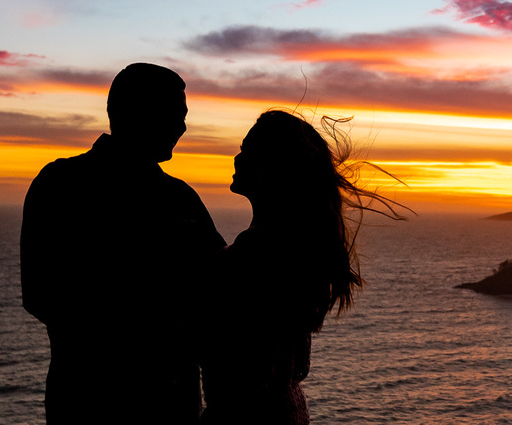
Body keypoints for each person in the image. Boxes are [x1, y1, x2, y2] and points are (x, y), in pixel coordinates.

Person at [21, 63, 225, 425]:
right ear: (139, 112)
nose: (182, 127)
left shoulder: (179, 197)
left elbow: (224, 284)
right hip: (91, 401)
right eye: (175, 115)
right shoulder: (60, 185)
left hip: (161, 403)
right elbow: (41, 294)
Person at [200, 109, 397, 425]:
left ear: (270, 169)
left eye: (246, 151)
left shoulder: (256, 251)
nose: (237, 159)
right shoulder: (291, 247)